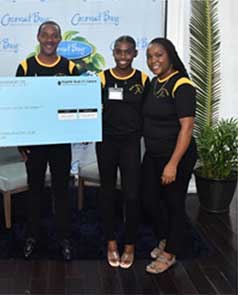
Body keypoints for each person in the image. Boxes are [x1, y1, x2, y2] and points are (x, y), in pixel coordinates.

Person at [15, 21, 80, 261]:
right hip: (34, 142)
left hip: (61, 142)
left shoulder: (71, 67)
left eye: (54, 36)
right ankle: (32, 236)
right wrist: (21, 143)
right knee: (35, 191)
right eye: (46, 35)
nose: (50, 39)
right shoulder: (25, 66)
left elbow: (78, 103)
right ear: (38, 37)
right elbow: (19, 106)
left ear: (60, 39)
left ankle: (64, 238)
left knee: (62, 191)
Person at [142, 37, 197, 274]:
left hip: (176, 157)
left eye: (158, 55)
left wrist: (172, 164)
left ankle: (170, 252)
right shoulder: (154, 83)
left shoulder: (181, 84)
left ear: (170, 56)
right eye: (150, 56)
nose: (153, 61)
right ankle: (167, 237)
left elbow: (187, 127)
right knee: (149, 200)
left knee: (174, 204)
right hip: (153, 154)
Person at [96, 36, 149, 268]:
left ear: (135, 54)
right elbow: (89, 109)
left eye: (128, 52)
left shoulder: (143, 79)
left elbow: (149, 113)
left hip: (130, 144)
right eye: (119, 52)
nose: (123, 57)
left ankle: (129, 245)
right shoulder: (102, 78)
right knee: (107, 193)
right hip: (106, 143)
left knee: (131, 195)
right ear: (113, 53)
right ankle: (111, 243)